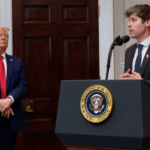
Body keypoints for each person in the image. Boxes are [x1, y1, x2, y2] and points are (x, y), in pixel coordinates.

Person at [0, 27, 27, 150]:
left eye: (6, 36)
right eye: (0, 35)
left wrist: (9, 100)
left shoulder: (17, 62)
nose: (4, 37)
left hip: (11, 117)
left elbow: (22, 85)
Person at [119, 4, 150, 84]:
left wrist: (143, 83)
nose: (128, 24)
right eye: (129, 20)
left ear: (147, 22)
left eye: (133, 20)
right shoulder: (129, 51)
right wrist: (122, 82)